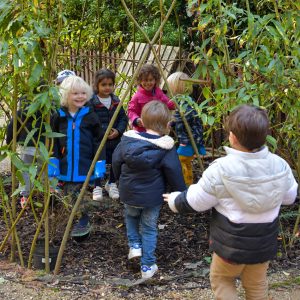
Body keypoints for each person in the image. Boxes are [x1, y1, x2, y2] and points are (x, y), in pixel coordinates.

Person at [163, 104, 298, 300]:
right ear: (265, 135)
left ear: (232, 137)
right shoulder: (280, 165)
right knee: (257, 284)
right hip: (263, 245)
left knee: (222, 280)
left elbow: (196, 201)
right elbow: (289, 197)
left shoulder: (221, 169)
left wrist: (175, 200)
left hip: (230, 246)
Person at [112, 101, 186, 279]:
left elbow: (115, 162)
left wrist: (117, 180)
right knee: (149, 228)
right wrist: (181, 192)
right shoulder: (166, 147)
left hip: (128, 192)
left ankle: (135, 246)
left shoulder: (127, 141)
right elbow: (173, 171)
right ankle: (147, 266)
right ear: (168, 125)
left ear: (142, 122)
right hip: (152, 197)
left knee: (131, 216)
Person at [51, 76, 105, 238]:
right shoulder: (58, 116)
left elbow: (98, 142)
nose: (80, 97)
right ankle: (74, 221)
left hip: (84, 164)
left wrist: (99, 165)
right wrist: (53, 168)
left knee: (80, 195)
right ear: (66, 95)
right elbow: (53, 143)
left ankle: (83, 221)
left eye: (83, 93)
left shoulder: (90, 116)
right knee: (69, 195)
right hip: (66, 165)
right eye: (75, 93)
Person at [6, 80, 47, 208]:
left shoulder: (21, 112)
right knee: (43, 169)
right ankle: (45, 191)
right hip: (43, 146)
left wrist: (10, 142)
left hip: (26, 146)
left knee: (25, 171)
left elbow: (12, 127)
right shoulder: (47, 111)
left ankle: (25, 196)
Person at [89, 68, 128, 201]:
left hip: (114, 139)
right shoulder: (92, 102)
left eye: (110, 84)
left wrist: (118, 131)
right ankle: (97, 185)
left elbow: (123, 118)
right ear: (97, 85)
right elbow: (91, 120)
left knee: (115, 161)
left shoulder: (116, 101)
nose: (107, 87)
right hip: (99, 139)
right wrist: (103, 131)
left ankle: (111, 183)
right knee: (99, 161)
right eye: (103, 85)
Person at [167, 71, 206, 186]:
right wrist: (173, 123)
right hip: (193, 138)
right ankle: (188, 182)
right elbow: (185, 120)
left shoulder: (184, 102)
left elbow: (184, 119)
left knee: (180, 161)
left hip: (189, 140)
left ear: (175, 88)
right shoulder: (187, 101)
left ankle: (184, 184)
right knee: (187, 162)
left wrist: (183, 141)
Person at [127, 64, 175, 132]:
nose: (148, 83)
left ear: (155, 80)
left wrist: (176, 104)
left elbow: (167, 103)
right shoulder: (137, 96)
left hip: (157, 129)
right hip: (142, 130)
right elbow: (131, 111)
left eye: (151, 80)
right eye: (145, 80)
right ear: (140, 81)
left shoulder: (158, 92)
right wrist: (136, 119)